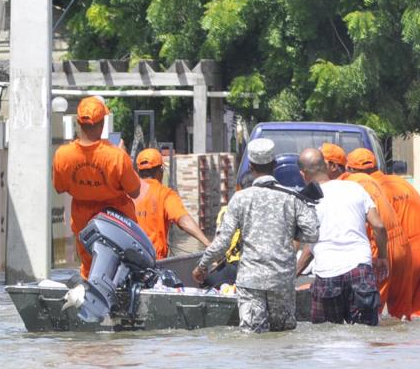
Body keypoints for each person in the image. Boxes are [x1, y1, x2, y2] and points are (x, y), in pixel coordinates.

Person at [192, 138, 319, 333]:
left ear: (251, 166)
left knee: (252, 339)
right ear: (274, 165)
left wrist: (202, 266)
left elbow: (223, 242)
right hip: (281, 281)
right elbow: (313, 233)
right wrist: (287, 229)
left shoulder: (240, 199)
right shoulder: (291, 197)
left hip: (250, 282)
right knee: (283, 338)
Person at [296, 148, 388, 325]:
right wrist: (383, 256)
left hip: (327, 275)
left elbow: (308, 247)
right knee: (366, 333)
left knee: (327, 338)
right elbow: (378, 225)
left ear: (303, 173)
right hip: (360, 271)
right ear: (326, 166)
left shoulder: (306, 200)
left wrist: (292, 274)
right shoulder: (354, 188)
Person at [52, 96, 141, 278]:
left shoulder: (63, 155)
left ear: (78, 123)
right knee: (122, 269)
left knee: (89, 268)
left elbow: (59, 188)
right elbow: (135, 191)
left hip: (82, 218)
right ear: (102, 125)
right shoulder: (116, 156)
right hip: (117, 217)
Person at [352, 153, 420, 318]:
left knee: (376, 315)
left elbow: (377, 228)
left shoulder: (369, 190)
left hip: (408, 250)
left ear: (351, 171)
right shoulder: (399, 181)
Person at [341, 148, 412, 320]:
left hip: (379, 246)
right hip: (402, 247)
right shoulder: (383, 183)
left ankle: (377, 347)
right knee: (401, 317)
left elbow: (375, 227)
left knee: (371, 312)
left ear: (348, 168)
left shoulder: (351, 184)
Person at [132, 148, 210, 259]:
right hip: (153, 262)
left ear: (138, 171)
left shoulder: (127, 193)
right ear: (160, 170)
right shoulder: (164, 194)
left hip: (128, 260)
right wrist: (207, 243)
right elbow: (183, 220)